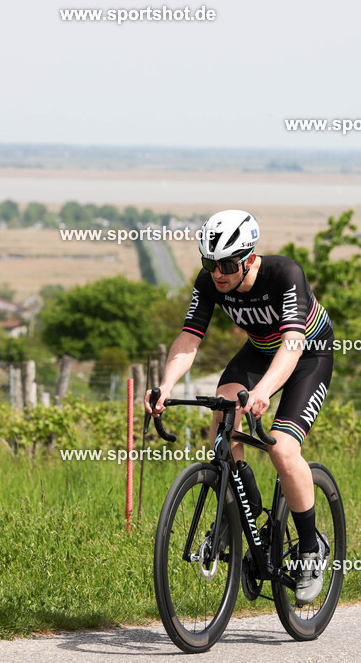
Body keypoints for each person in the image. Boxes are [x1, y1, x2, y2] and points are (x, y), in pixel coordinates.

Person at [149, 209, 333, 605]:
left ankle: (309, 549)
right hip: (260, 351)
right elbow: (189, 338)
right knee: (221, 424)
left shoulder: (285, 274)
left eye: (228, 264)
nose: (218, 273)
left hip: (306, 355)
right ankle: (245, 521)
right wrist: (166, 385)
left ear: (250, 257)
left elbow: (292, 343)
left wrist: (265, 391)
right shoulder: (211, 281)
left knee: (282, 448)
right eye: (209, 263)